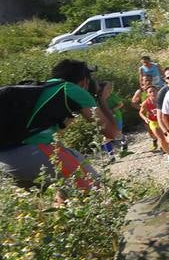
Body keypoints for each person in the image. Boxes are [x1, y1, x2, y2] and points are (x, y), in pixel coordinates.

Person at [0, 59, 119, 191]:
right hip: (31, 152)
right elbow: (112, 133)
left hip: (6, 160)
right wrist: (102, 98)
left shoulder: (46, 89)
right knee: (95, 190)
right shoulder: (73, 90)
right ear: (84, 81)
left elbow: (50, 131)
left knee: (64, 192)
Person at [136, 74, 169, 156]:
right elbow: (141, 112)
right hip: (153, 122)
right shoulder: (146, 103)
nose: (153, 93)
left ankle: (167, 145)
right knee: (161, 138)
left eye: (154, 91)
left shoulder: (163, 100)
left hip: (163, 120)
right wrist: (145, 118)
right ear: (147, 94)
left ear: (158, 91)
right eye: (150, 92)